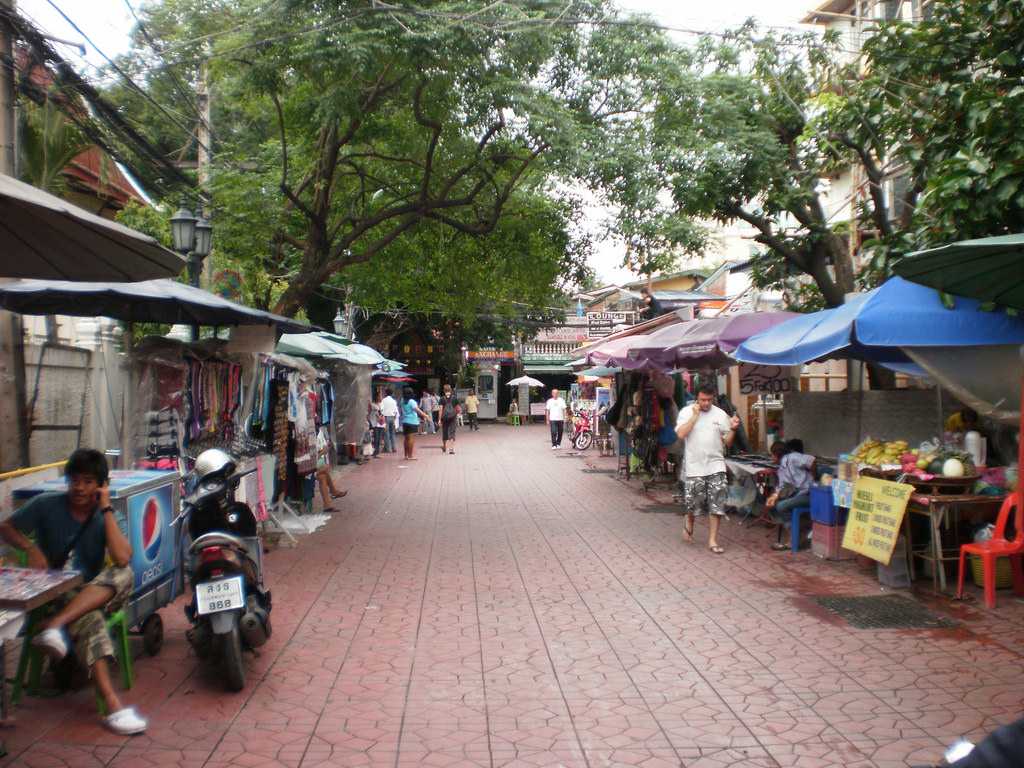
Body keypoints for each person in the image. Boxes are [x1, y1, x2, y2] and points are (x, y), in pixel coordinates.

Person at [0, 449, 148, 735]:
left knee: (124, 573)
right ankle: (114, 708)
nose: (79, 488)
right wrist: (30, 549)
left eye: (89, 481)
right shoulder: (46, 505)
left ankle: (55, 626)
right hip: (52, 593)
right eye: (74, 480)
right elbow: (6, 528)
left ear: (101, 485)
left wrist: (105, 508)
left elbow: (122, 558)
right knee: (92, 619)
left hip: (90, 592)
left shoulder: (107, 516)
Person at [676, 384, 740, 554]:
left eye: (709, 400)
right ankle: (689, 520)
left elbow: (728, 442)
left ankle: (712, 540)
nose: (706, 403)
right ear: (697, 398)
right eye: (703, 400)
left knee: (717, 504)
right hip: (694, 466)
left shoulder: (720, 414)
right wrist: (694, 417)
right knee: (693, 505)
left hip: (716, 465)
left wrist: (733, 428)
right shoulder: (686, 412)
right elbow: (681, 435)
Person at [764, 438, 816, 551]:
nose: (771, 458)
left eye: (772, 455)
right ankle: (796, 533)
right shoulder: (781, 468)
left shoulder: (793, 457)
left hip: (809, 494)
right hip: (798, 495)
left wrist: (814, 478)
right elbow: (782, 487)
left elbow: (812, 461)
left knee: (782, 506)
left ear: (777, 454)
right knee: (772, 507)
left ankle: (795, 537)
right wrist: (773, 497)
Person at [315, 427, 347, 509]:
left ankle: (327, 504)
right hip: (307, 471)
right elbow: (311, 461)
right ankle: (333, 492)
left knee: (322, 476)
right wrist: (322, 452)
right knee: (324, 471)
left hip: (314, 469)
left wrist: (323, 451)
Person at [400, 387, 430, 460]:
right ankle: (410, 456)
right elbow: (417, 410)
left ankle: (406, 455)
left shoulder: (402, 400)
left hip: (405, 421)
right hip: (412, 422)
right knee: (411, 439)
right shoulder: (412, 401)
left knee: (406, 439)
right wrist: (426, 416)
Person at [437, 384, 461, 455]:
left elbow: (440, 410)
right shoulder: (454, 398)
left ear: (444, 390)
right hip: (453, 417)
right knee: (452, 432)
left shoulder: (441, 399)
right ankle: (451, 449)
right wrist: (458, 413)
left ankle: (444, 446)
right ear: (450, 390)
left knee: (445, 432)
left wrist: (439, 419)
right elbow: (457, 408)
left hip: (444, 418)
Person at [379, 388, 399, 454]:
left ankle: (388, 449)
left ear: (386, 393)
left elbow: (381, 409)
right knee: (392, 433)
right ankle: (394, 448)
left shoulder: (384, 400)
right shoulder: (394, 401)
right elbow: (396, 411)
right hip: (393, 418)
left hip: (386, 418)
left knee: (386, 434)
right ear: (392, 393)